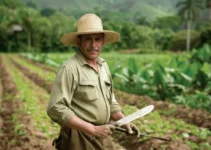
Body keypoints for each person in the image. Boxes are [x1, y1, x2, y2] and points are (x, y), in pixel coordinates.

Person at [47, 13, 140, 150]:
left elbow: (111, 103)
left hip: (102, 134)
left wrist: (124, 122)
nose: (93, 45)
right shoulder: (70, 69)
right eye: (88, 39)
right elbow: (56, 108)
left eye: (97, 39)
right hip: (78, 137)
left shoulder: (104, 66)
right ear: (79, 41)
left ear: (103, 42)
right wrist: (92, 129)